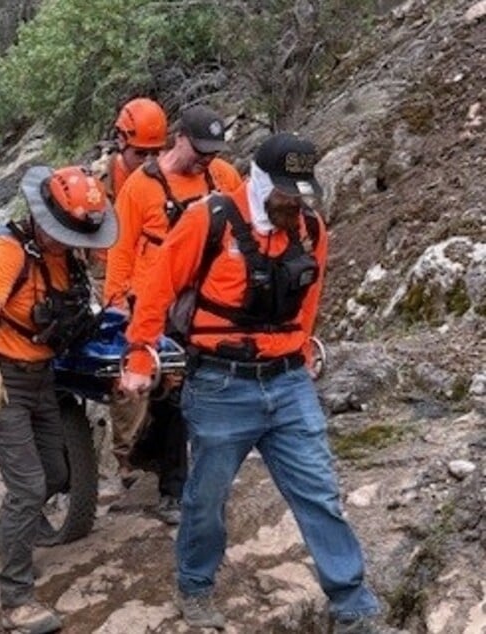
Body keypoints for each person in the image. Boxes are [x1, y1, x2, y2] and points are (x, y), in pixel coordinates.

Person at [119, 133, 393, 633]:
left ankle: (352, 606)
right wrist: (140, 353)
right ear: (260, 178)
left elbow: (311, 294)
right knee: (207, 496)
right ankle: (196, 585)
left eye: (301, 189)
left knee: (319, 492)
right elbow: (157, 288)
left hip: (289, 383)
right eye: (285, 189)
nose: (295, 200)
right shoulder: (209, 220)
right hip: (222, 386)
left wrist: (303, 345)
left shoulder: (309, 228)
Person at [0, 165, 116, 634]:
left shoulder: (67, 258)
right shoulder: (10, 252)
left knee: (56, 473)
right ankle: (15, 597)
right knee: (29, 484)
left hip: (41, 376)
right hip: (1, 376)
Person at [103, 104, 242, 525]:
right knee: (173, 394)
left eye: (212, 152)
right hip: (157, 304)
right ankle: (173, 489)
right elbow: (121, 249)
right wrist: (116, 303)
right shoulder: (141, 189)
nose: (205, 159)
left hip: (212, 302)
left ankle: (158, 458)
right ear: (179, 138)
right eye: (199, 149)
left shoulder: (224, 178)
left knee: (209, 389)